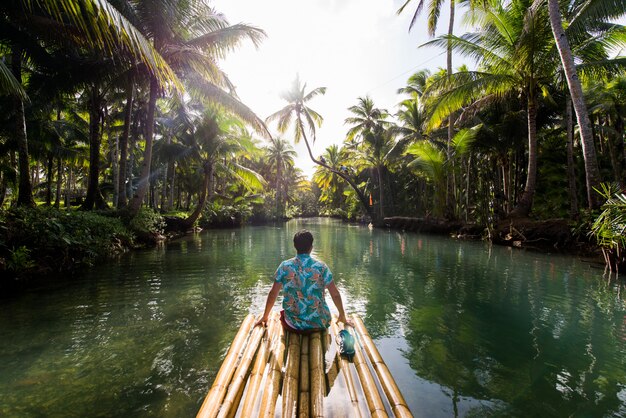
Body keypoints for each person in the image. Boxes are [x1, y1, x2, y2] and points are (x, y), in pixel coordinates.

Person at [255, 229, 352, 332]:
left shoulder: (284, 266)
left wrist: (265, 316)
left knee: (284, 315)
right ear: (311, 247)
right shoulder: (322, 267)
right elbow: (335, 294)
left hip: (292, 324)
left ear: (295, 246)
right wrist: (342, 315)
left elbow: (273, 293)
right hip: (319, 322)